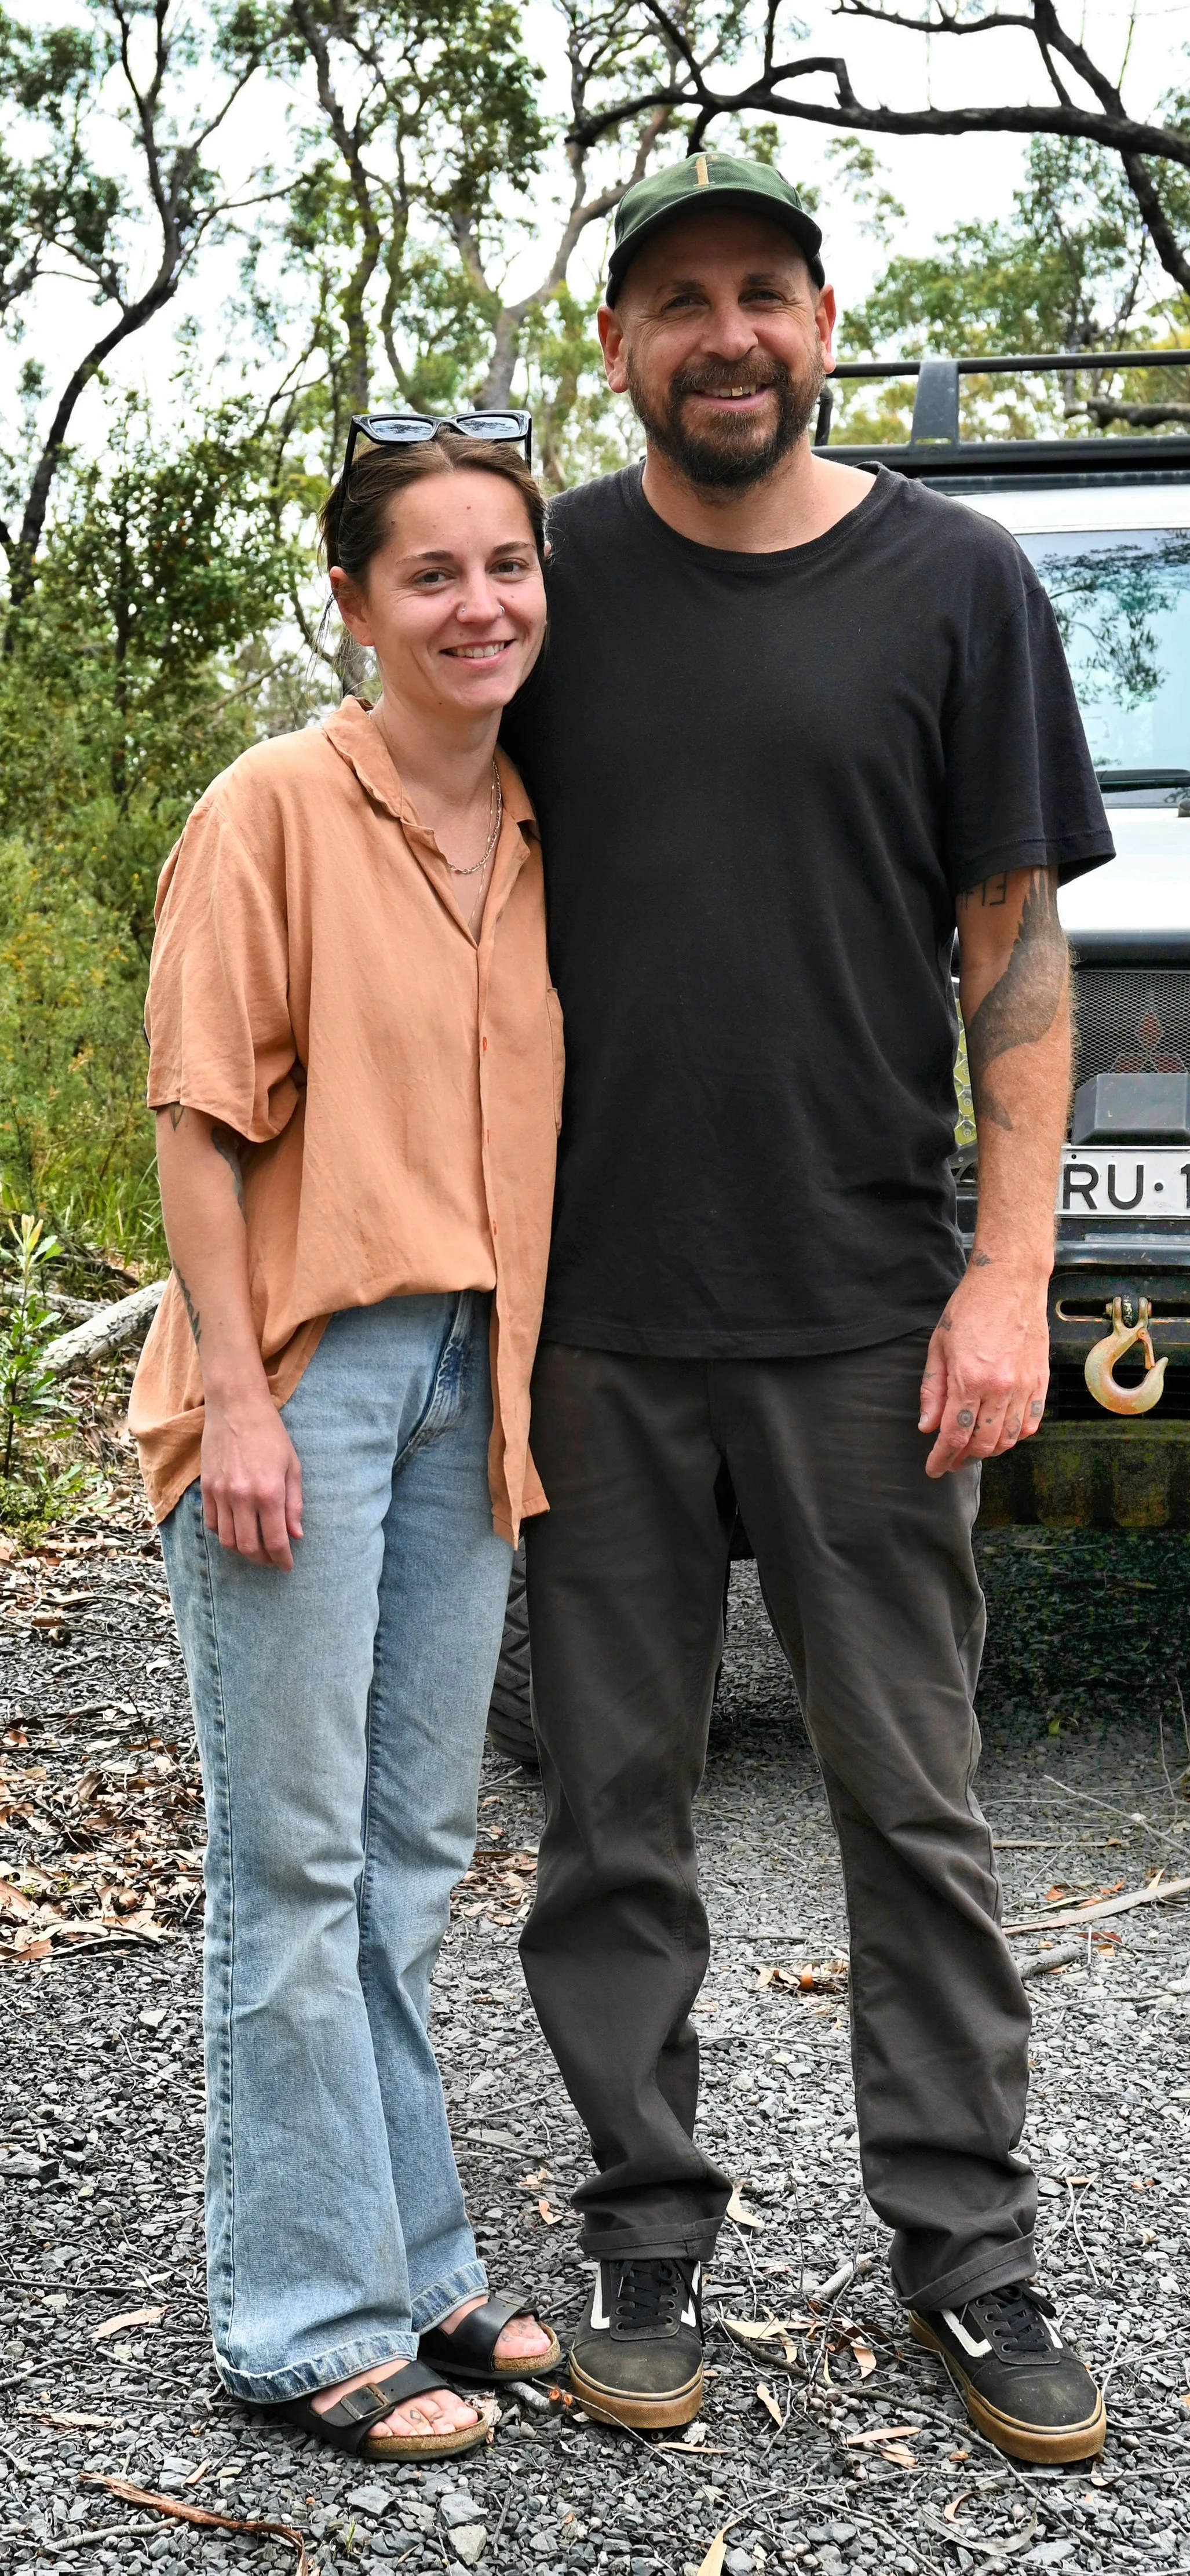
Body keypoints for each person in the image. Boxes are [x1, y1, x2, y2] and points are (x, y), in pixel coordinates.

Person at [502, 155, 1115, 2461]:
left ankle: (968, 2253)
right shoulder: (544, 579)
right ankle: (643, 2229)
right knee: (611, 1811)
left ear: (825, 321)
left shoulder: (955, 582)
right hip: (592, 1318)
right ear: (618, 347)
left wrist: (1008, 1274)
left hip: (869, 1304)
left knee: (914, 1804)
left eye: (762, 291)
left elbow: (1017, 959)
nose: (726, 334)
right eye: (677, 301)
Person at [129, 421, 564, 2458]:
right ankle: (305, 2314)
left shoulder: (546, 827)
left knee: (408, 1855)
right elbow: (198, 1116)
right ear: (356, 603)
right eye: (431, 573)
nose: (479, 605)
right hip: (301, 1373)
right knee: (292, 1863)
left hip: (480, 1378)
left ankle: (416, 2254)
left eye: (508, 565)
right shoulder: (274, 809)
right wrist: (235, 1392)